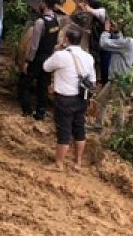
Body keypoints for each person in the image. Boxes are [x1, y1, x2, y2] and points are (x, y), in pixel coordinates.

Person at [42, 29, 96, 169]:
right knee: (79, 129)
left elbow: (46, 67)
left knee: (64, 130)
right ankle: (77, 163)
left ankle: (59, 163)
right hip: (81, 98)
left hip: (64, 98)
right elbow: (93, 80)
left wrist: (57, 50)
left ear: (66, 39)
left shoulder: (61, 55)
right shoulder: (88, 57)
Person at [19, 0, 62, 120]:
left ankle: (26, 110)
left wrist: (27, 61)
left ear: (44, 3)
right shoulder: (56, 20)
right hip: (49, 58)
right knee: (43, 86)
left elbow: (34, 46)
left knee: (25, 83)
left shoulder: (40, 22)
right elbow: (56, 41)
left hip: (38, 58)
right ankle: (41, 112)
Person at [91, 17, 133, 133]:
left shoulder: (127, 43)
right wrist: (114, 31)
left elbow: (104, 44)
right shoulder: (128, 41)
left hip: (119, 80)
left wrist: (106, 31)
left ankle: (119, 133)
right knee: (101, 100)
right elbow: (118, 38)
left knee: (118, 106)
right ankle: (98, 126)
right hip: (115, 79)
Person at [80, 0, 109, 81]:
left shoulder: (102, 11)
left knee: (96, 61)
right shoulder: (96, 10)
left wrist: (85, 7)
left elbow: (91, 11)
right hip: (96, 41)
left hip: (100, 42)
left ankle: (95, 80)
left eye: (87, 1)